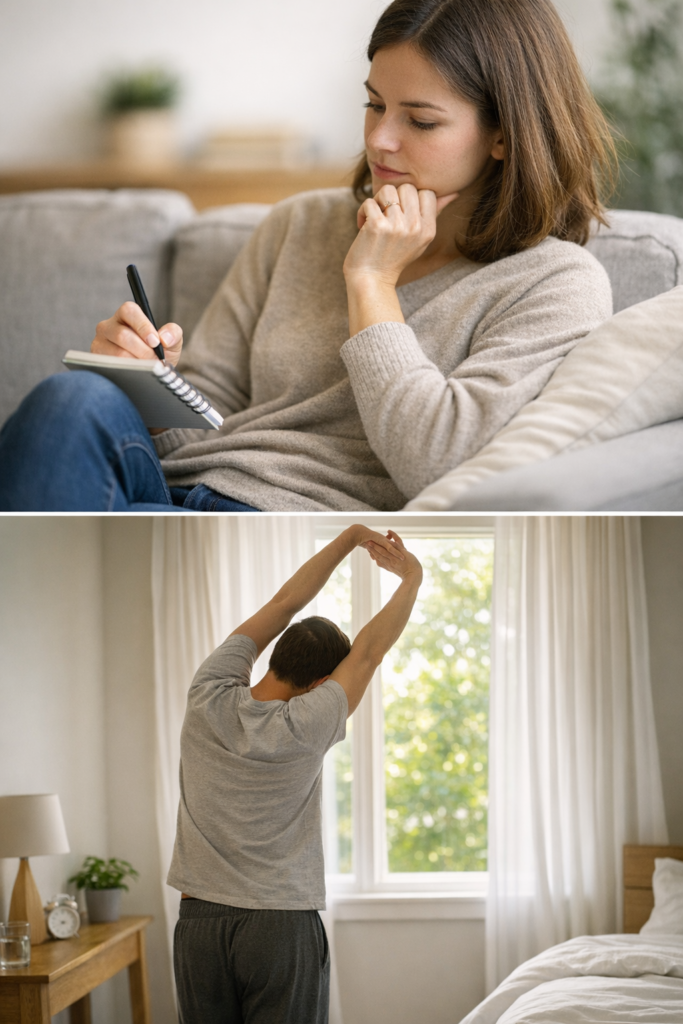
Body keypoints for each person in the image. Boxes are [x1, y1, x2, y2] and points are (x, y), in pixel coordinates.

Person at [0, 0, 615, 512]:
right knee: (73, 399)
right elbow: (206, 417)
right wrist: (149, 386)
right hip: (169, 491)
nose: (379, 139)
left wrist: (372, 281)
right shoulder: (300, 223)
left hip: (285, 519)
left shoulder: (555, 284)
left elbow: (437, 463)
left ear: (505, 134)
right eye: (374, 104)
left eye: (420, 121)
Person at [169, 525, 422, 1023]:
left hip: (198, 922)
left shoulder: (208, 692)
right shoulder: (308, 723)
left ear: (276, 654)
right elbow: (370, 651)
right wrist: (410, 578)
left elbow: (285, 603)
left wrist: (350, 537)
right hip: (279, 927)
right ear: (322, 682)